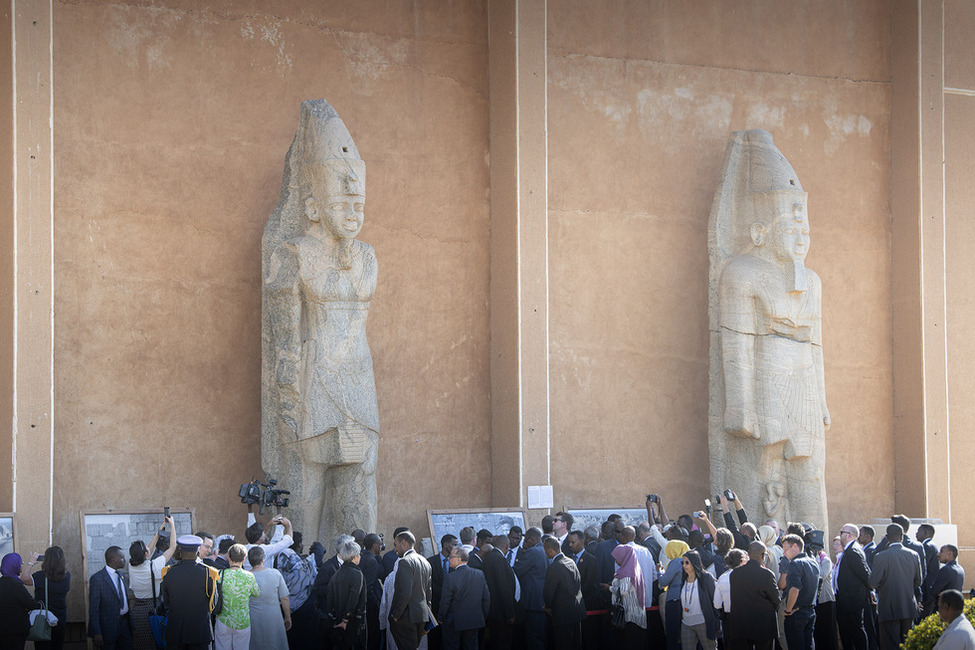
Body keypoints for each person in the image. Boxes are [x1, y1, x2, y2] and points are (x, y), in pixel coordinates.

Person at [263, 99, 380, 546]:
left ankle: (358, 592)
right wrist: (289, 400)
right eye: (342, 198)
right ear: (313, 207)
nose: (353, 207)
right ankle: (300, 587)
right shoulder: (292, 253)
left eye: (359, 200)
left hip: (359, 388)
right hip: (312, 393)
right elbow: (284, 340)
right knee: (301, 512)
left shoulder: (366, 256)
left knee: (358, 507)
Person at [161, 535, 220, 650]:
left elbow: (167, 602)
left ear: (180, 551)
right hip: (200, 632)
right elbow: (213, 604)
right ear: (198, 551)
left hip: (176, 632)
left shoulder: (168, 572)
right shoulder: (208, 573)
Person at [869, 523, 921, 650]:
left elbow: (872, 583)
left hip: (888, 608)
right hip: (908, 607)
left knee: (889, 645)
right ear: (902, 536)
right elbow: (918, 581)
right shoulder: (914, 555)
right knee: (909, 644)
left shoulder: (880, 556)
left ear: (886, 537)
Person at [128, 516, 177, 650]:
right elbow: (172, 547)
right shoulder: (154, 566)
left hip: (137, 609)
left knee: (140, 643)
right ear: (145, 554)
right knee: (155, 642)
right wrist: (172, 526)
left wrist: (158, 534)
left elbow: (146, 553)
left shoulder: (131, 565)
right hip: (152, 608)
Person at [728, 541, 780, 650]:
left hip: (741, 624)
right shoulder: (767, 574)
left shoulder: (734, 574)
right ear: (763, 556)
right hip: (763, 625)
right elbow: (776, 600)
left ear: (748, 554)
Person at [388, 531, 433, 650]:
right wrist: (427, 617)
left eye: (395, 544)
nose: (395, 549)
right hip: (420, 617)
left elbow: (405, 593)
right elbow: (428, 594)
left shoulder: (405, 562)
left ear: (403, 543)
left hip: (406, 617)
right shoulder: (425, 562)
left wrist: (395, 615)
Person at [439, 546, 490, 650]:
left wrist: (441, 618)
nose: (448, 559)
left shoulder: (450, 577)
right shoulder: (479, 574)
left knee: (451, 646)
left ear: (458, 559)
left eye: (451, 557)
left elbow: (445, 601)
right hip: (474, 620)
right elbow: (486, 598)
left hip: (454, 622)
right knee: (472, 646)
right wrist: (482, 615)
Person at [214, 544, 260, 650]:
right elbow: (256, 593)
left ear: (229, 558)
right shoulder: (249, 576)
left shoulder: (220, 574)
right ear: (244, 559)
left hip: (223, 620)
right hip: (242, 621)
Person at [834, 524, 872, 650]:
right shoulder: (850, 550)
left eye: (841, 532)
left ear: (849, 535)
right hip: (846, 600)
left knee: (856, 632)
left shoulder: (853, 551)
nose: (840, 536)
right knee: (847, 632)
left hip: (852, 601)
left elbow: (866, 574)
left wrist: (871, 591)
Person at [275, 540, 318, 649]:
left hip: (282, 607)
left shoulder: (280, 560)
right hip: (303, 607)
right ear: (299, 545)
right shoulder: (305, 564)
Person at [325, 538, 367, 650]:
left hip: (337, 621)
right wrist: (345, 619)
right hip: (350, 623)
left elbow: (330, 597)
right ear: (355, 556)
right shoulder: (357, 573)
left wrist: (333, 618)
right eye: (359, 554)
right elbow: (354, 598)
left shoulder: (337, 573)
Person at [88, 546, 133, 649]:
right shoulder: (97, 579)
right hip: (108, 629)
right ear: (113, 560)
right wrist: (97, 632)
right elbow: (94, 609)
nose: (125, 560)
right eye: (122, 557)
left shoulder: (121, 575)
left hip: (125, 626)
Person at [247, 546, 291, 649]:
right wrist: (288, 617)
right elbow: (284, 598)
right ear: (263, 559)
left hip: (253, 618)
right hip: (273, 617)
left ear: (249, 561)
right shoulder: (275, 573)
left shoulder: (246, 577)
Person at [514, 527, 547, 650]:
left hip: (532, 602)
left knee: (533, 638)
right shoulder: (544, 550)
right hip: (541, 600)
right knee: (540, 637)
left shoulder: (532, 552)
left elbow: (517, 570)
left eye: (526, 540)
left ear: (532, 539)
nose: (524, 543)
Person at [31, 546, 70, 650]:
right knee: (57, 646)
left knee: (42, 647)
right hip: (59, 619)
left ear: (46, 560)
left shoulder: (39, 577)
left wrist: (31, 562)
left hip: (43, 620)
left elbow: (23, 579)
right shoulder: (67, 576)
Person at [481, 535, 516, 650]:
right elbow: (504, 587)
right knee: (503, 642)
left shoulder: (488, 557)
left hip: (491, 609)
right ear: (506, 546)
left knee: (495, 641)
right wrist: (510, 613)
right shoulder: (500, 559)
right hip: (501, 612)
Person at [680, 550, 720, 650]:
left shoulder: (706, 578)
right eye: (683, 562)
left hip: (703, 622)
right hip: (686, 623)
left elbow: (714, 600)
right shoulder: (683, 579)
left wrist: (716, 622)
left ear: (694, 562)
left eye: (687, 562)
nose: (684, 565)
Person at [609, 543, 646, 649]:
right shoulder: (632, 569)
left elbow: (623, 591)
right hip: (635, 614)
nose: (616, 561)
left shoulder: (627, 572)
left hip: (630, 615)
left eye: (617, 558)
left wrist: (609, 588)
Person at [0, 553, 37, 650]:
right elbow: (32, 605)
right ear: (14, 565)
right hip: (16, 630)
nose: (21, 565)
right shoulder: (16, 584)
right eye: (20, 563)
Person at [427, 534, 458, 650]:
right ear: (445, 544)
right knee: (435, 640)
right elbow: (428, 584)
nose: (456, 547)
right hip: (435, 608)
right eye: (454, 544)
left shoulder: (456, 564)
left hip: (451, 610)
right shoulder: (430, 562)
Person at [659, 540, 690, 650]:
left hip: (674, 600)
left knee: (673, 632)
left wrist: (659, 571)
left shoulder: (676, 562)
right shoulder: (690, 561)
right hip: (687, 600)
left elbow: (663, 582)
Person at [713, 548, 746, 640]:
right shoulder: (748, 577)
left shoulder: (722, 578)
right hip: (746, 616)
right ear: (743, 560)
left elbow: (717, 603)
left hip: (729, 618)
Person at [924, 545, 966, 617]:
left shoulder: (946, 569)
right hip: (955, 611)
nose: (938, 554)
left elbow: (933, 591)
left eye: (941, 551)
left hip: (944, 611)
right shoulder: (960, 569)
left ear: (950, 553)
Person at [360, 534, 384, 650]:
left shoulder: (363, 557)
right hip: (370, 609)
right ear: (374, 545)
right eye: (380, 544)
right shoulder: (371, 561)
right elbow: (368, 588)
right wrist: (377, 605)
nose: (381, 546)